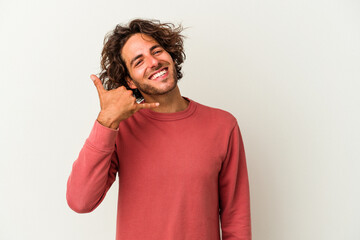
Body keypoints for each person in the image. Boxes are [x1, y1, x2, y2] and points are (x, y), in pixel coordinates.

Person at [66, 18, 252, 240]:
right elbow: (80, 201)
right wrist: (106, 121)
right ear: (130, 81)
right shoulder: (120, 127)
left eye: (156, 51)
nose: (153, 62)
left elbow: (236, 218)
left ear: (171, 55)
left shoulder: (222, 125)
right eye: (138, 61)